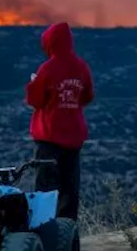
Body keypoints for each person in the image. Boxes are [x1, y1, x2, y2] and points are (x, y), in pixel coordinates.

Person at [25, 22, 95, 222]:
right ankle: (68, 236)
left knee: (45, 190)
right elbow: (88, 96)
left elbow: (35, 100)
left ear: (50, 43)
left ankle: (44, 233)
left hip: (49, 139)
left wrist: (33, 83)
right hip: (73, 138)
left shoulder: (48, 68)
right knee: (69, 190)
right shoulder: (81, 67)